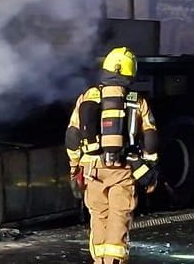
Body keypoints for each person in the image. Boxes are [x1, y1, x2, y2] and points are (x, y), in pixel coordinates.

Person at [65, 47, 159, 264]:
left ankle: (100, 261)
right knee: (119, 218)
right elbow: (150, 138)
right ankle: (114, 261)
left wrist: (74, 168)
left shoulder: (87, 97)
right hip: (123, 171)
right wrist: (150, 170)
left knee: (99, 218)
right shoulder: (137, 101)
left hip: (92, 170)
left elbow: (72, 136)